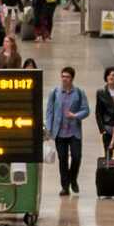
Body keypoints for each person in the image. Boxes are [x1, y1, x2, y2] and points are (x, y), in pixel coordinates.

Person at [45, 65, 89, 196]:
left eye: (67, 77)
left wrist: (75, 115)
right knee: (62, 159)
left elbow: (86, 110)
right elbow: (49, 111)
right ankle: (65, 186)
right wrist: (49, 128)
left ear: (72, 78)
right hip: (60, 132)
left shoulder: (79, 92)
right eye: (63, 76)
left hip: (74, 131)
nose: (64, 79)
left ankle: (73, 178)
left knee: (76, 156)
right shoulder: (55, 92)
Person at [95, 65, 114, 158]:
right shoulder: (101, 93)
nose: (111, 77)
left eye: (113, 75)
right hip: (108, 128)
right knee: (108, 156)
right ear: (106, 77)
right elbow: (98, 112)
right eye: (109, 75)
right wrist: (102, 129)